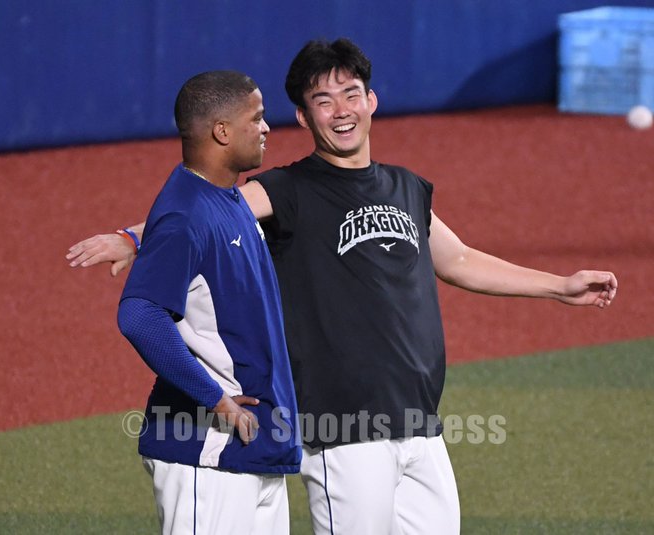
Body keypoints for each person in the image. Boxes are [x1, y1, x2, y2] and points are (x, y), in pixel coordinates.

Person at [67, 40, 617, 535]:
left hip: (419, 422)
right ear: (304, 117)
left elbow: (461, 259)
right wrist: (133, 237)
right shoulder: (289, 189)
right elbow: (206, 214)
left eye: (351, 94)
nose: (341, 110)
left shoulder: (405, 188)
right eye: (323, 101)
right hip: (342, 429)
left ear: (371, 101)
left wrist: (559, 287)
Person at [114, 70, 300, 535]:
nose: (266, 128)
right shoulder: (185, 214)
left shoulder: (228, 199)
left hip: (254, 448)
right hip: (206, 452)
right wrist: (215, 400)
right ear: (221, 131)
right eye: (256, 118)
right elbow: (139, 315)